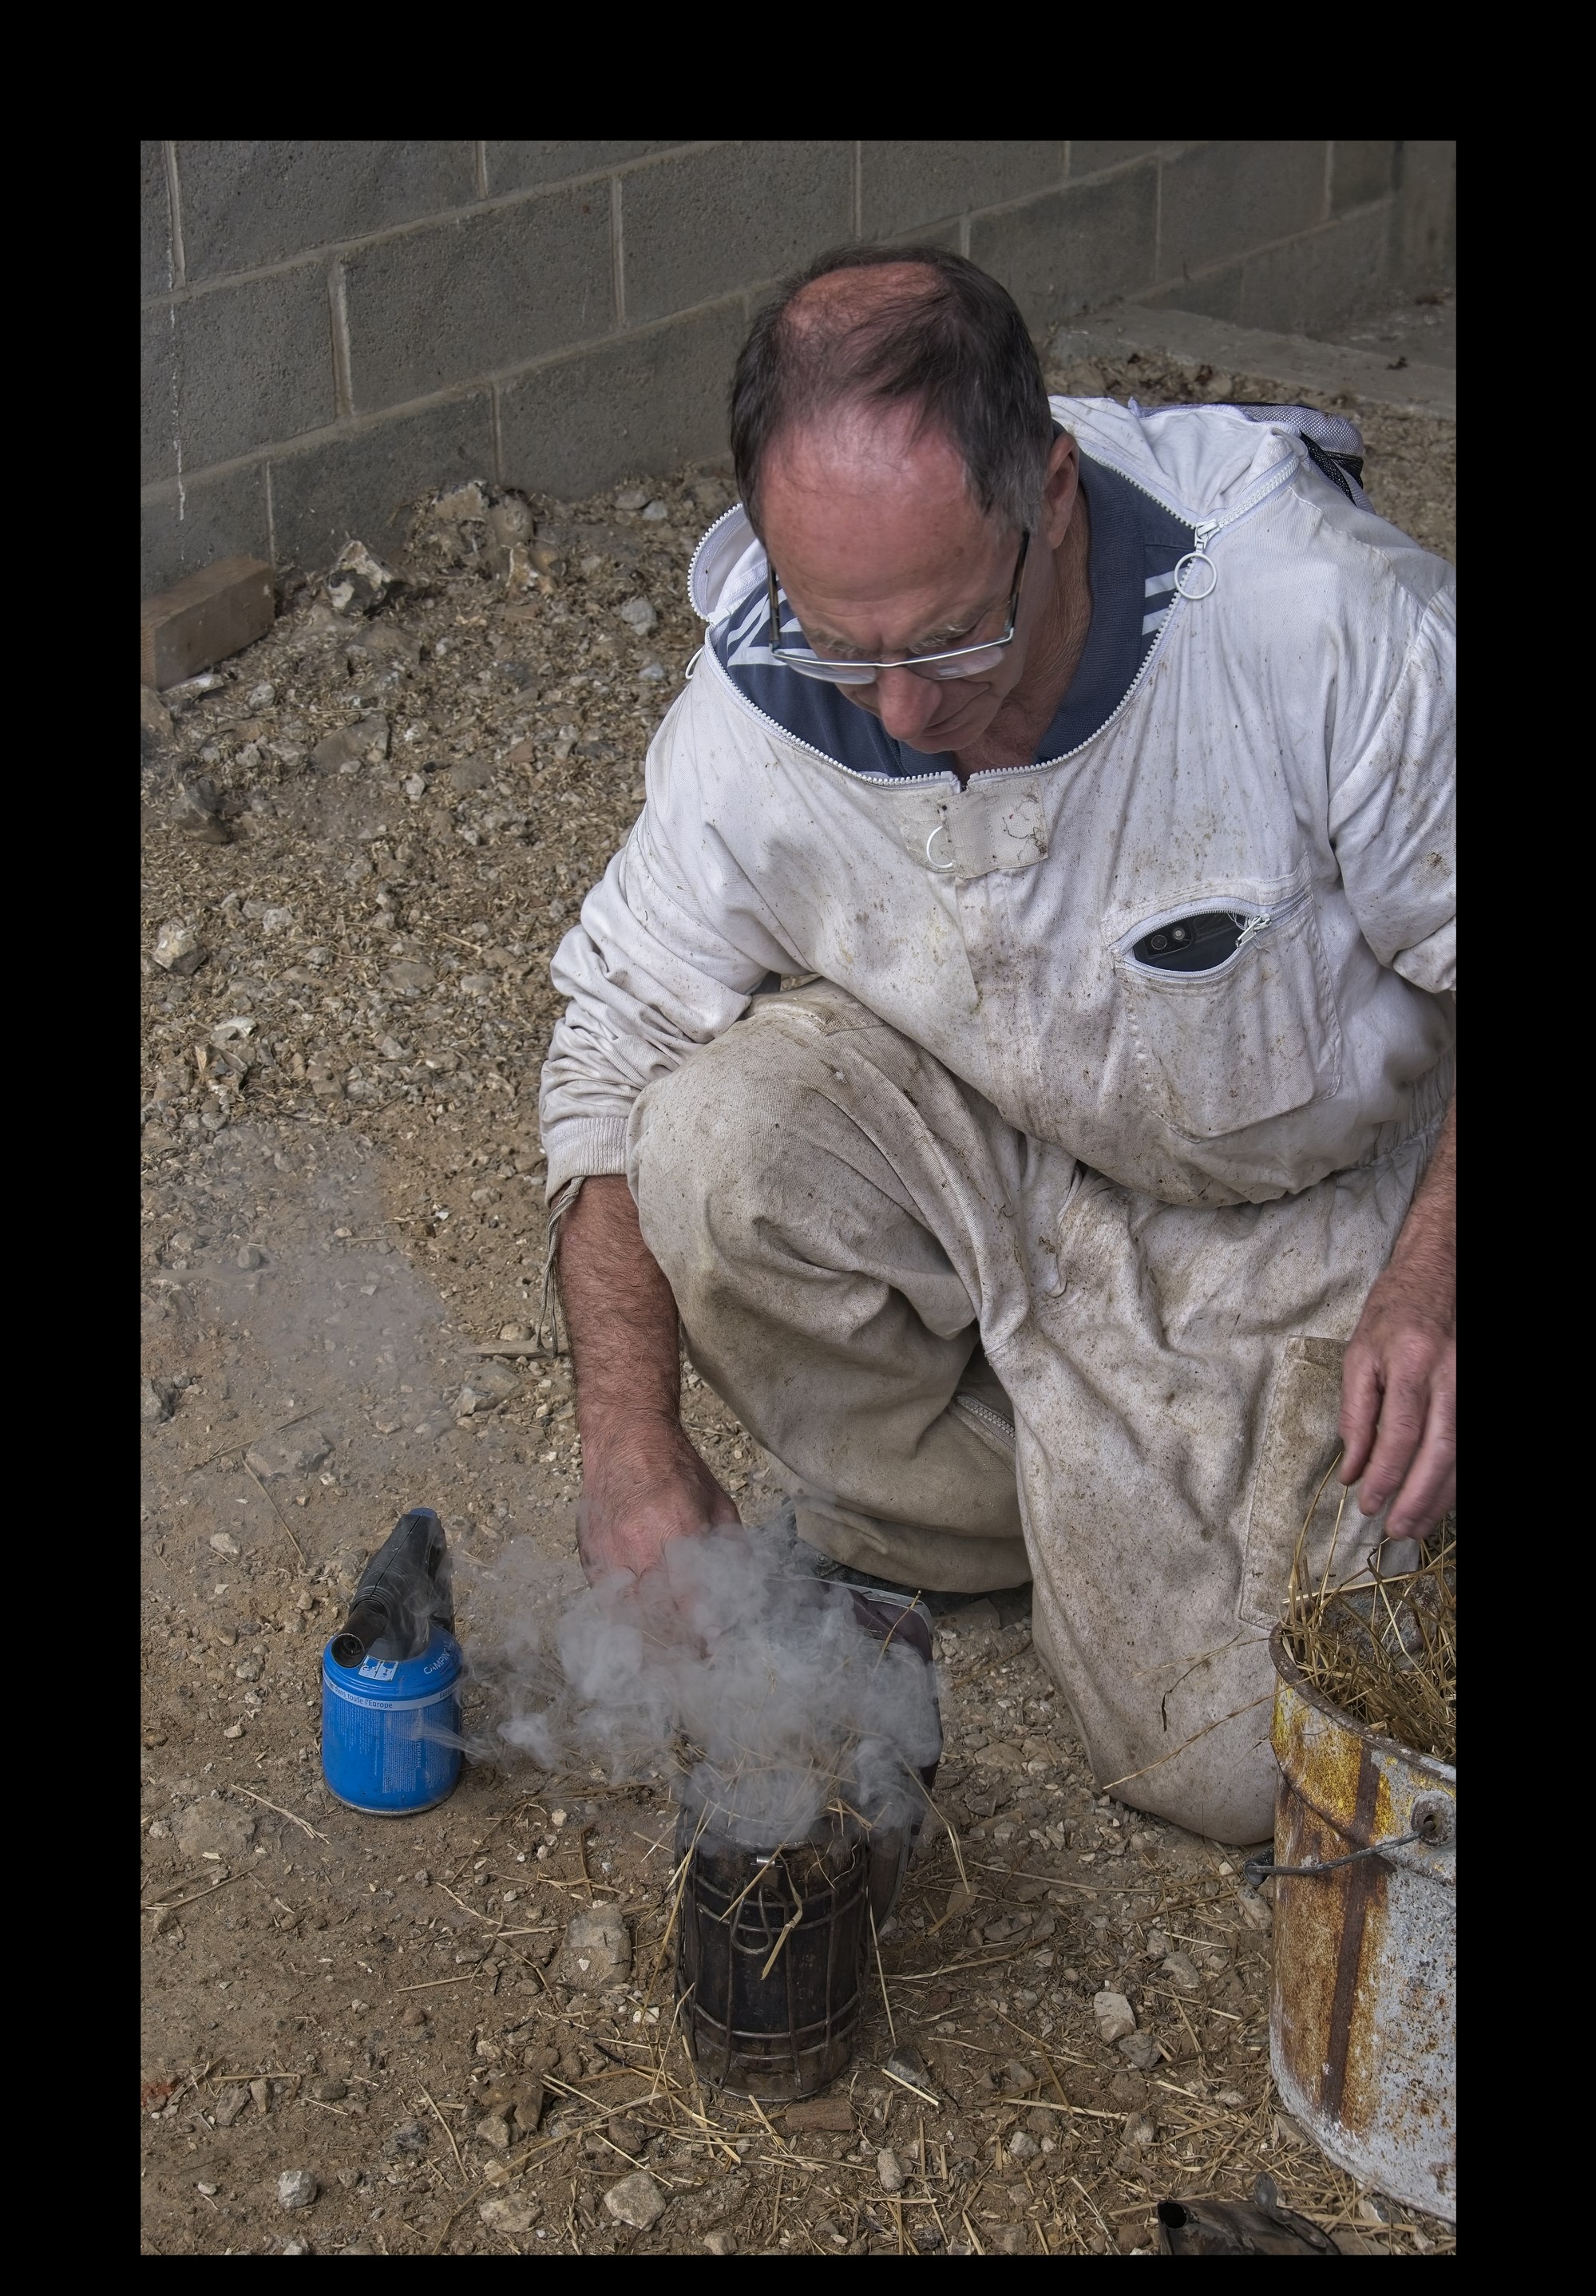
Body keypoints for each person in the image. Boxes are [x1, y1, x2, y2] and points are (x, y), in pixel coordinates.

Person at [538, 247, 1455, 1843]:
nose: (895, 711)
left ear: (1050, 492)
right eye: (844, 642)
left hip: (1305, 1203)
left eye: (952, 641)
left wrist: (1427, 1295)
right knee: (706, 1143)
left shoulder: (1323, 626)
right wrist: (629, 1446)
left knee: (1231, 1768)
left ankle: (1178, 1515)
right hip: (999, 1139)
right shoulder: (761, 702)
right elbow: (608, 1046)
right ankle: (1052, 1504)